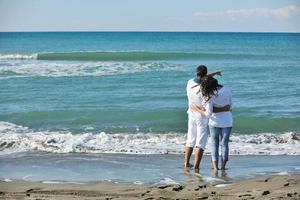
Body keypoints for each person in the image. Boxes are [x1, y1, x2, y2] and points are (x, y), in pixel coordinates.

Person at [185, 65, 228, 173]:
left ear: (196, 73)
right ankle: (196, 167)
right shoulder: (204, 90)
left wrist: (214, 73)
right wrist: (198, 109)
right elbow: (208, 112)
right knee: (200, 143)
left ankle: (186, 163)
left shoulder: (190, 83)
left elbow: (201, 77)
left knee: (190, 140)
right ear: (205, 75)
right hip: (201, 117)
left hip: (191, 115)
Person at [206, 78, 233, 172]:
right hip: (227, 120)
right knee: (224, 144)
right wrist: (224, 109)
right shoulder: (227, 89)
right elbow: (230, 105)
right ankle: (223, 166)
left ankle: (215, 167)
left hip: (214, 121)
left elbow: (210, 111)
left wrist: (217, 109)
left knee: (214, 144)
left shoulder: (210, 94)